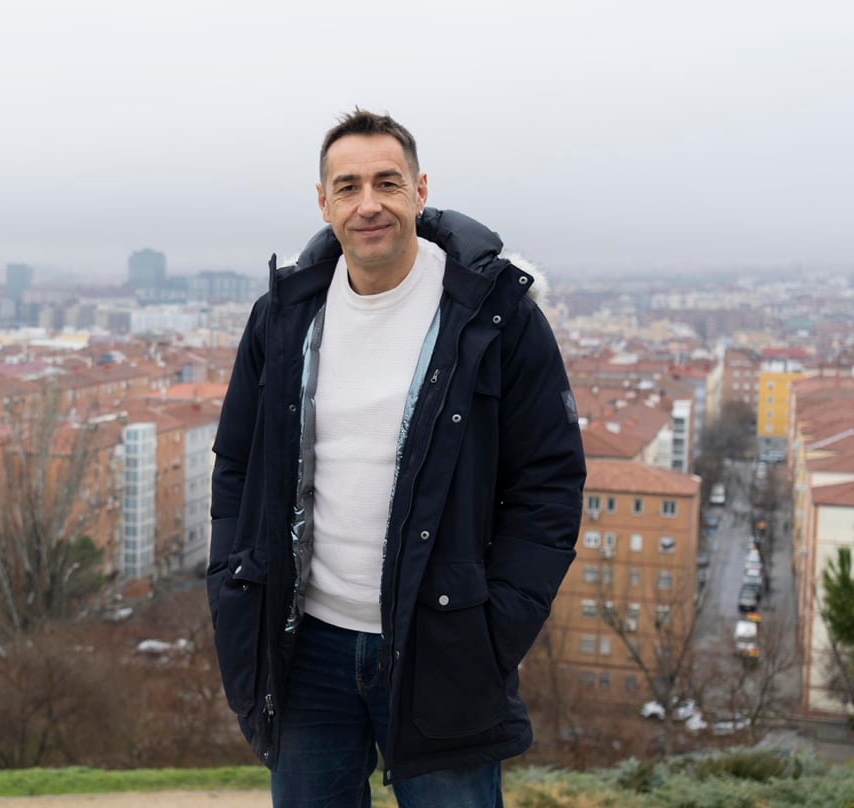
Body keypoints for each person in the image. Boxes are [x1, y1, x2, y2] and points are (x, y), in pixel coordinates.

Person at [207, 109, 586, 807]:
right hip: (305, 646)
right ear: (323, 203)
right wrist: (234, 586)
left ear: (419, 189)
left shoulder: (492, 314)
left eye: (387, 181)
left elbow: (550, 483)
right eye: (347, 187)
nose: (369, 203)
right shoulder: (285, 316)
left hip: (442, 643)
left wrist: (492, 629)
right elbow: (236, 463)